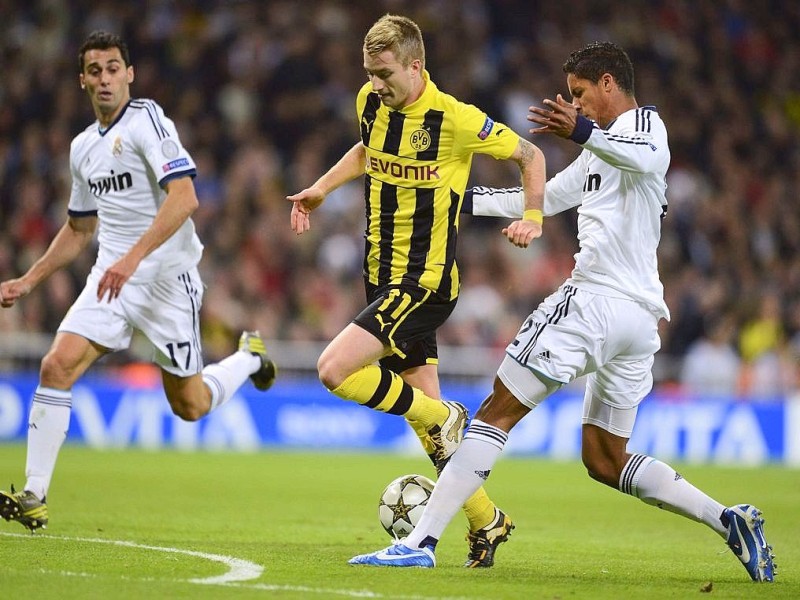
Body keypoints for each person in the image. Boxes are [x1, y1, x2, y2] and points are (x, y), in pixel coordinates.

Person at [348, 41, 776, 583]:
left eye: (579, 94)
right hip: (636, 322)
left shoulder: (648, 127)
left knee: (496, 409)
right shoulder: (600, 150)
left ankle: (420, 539)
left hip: (599, 301)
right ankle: (728, 520)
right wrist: (449, 193)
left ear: (607, 83)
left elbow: (640, 156)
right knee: (604, 458)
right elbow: (545, 198)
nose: (574, 105)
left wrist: (581, 131)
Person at [287, 14, 546, 567]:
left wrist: (533, 216)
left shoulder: (455, 120)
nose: (376, 84)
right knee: (433, 436)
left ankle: (439, 415)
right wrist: (320, 189)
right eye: (369, 73)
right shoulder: (370, 102)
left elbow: (531, 156)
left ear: (415, 65)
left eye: (384, 74)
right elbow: (365, 151)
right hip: (379, 276)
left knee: (334, 370)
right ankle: (486, 520)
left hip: (423, 283)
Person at [0, 31, 276, 533]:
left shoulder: (148, 120)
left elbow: (185, 198)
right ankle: (35, 495)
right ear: (81, 79)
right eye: (95, 70)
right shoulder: (83, 147)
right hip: (111, 278)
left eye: (113, 68)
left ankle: (249, 357)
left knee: (190, 405)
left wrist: (132, 257)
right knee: (55, 365)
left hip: (167, 281)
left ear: (129, 74)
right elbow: (80, 228)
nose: (105, 79)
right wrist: (30, 279)